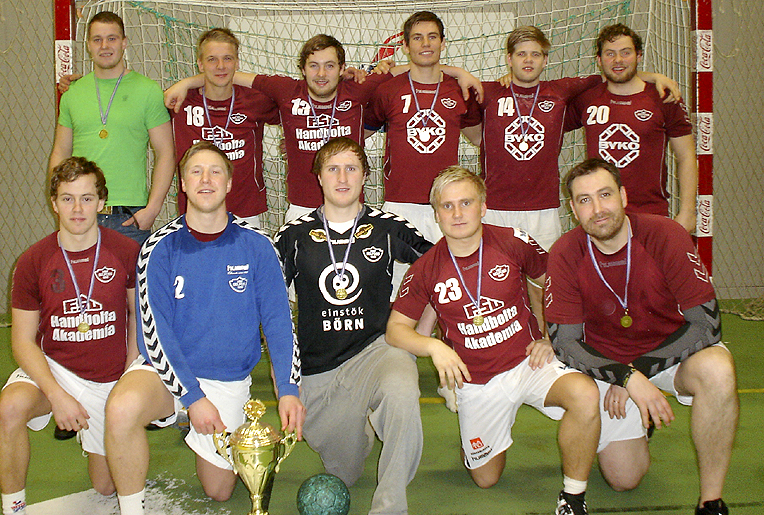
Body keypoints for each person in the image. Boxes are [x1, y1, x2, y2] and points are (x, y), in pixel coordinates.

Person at [104, 141, 304, 515]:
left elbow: (279, 323)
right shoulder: (158, 247)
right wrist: (192, 397)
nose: (206, 179)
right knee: (121, 409)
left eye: (215, 171)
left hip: (226, 378)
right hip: (166, 374)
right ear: (183, 183)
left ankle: (214, 424)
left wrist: (289, 390)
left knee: (219, 490)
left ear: (228, 183)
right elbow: (154, 334)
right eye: (196, 172)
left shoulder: (258, 246)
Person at [386, 167, 600, 515]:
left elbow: (554, 283)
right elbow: (396, 330)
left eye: (466, 203)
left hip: (530, 362)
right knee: (485, 478)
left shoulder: (513, 241)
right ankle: (477, 438)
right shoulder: (425, 268)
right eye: (447, 206)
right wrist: (434, 347)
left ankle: (573, 496)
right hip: (478, 381)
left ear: (483, 207)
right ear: (436, 214)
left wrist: (551, 335)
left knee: (585, 394)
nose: (457, 213)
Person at [545, 158, 737, 515]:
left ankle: (711, 502)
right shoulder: (565, 252)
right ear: (572, 208)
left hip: (671, 354)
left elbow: (706, 325)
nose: (598, 209)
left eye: (605, 195)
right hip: (608, 364)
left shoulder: (665, 234)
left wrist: (638, 371)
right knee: (624, 478)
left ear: (623, 195)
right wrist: (624, 375)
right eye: (585, 200)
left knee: (718, 369)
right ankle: (638, 420)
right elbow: (565, 344)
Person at [462, 26, 681, 337]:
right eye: (521, 54)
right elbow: (468, 123)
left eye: (536, 54)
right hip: (495, 208)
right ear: (509, 59)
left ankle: (548, 344)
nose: (528, 60)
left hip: (543, 208)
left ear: (545, 59)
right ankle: (490, 344)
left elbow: (613, 75)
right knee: (490, 283)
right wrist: (460, 73)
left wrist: (653, 77)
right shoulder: (489, 92)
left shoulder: (561, 91)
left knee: (545, 284)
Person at [273, 137, 433, 515]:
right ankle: (359, 427)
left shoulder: (388, 227)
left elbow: (439, 268)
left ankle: (390, 506)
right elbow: (269, 307)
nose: (342, 177)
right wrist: (285, 385)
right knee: (344, 472)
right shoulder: (293, 236)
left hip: (376, 352)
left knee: (401, 389)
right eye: (333, 169)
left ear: (364, 176)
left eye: (351, 168)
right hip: (319, 369)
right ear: (319, 177)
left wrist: (419, 335)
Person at [165, 34, 479, 224]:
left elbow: (413, 67)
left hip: (350, 207)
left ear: (342, 69)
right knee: (299, 296)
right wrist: (187, 82)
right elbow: (228, 74)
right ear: (302, 69)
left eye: (330, 65)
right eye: (314, 65)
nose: (321, 73)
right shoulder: (285, 90)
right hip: (301, 208)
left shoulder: (358, 90)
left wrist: (458, 72)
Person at [0, 157, 140, 515]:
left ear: (102, 202)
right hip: (55, 370)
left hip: (109, 379)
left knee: (106, 486)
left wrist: (128, 380)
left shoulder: (126, 252)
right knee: (11, 407)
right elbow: (22, 341)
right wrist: (57, 395)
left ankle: (96, 433)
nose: (77, 208)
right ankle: (13, 508)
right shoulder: (33, 261)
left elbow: (137, 317)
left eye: (87, 198)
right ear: (54, 203)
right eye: (68, 198)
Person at [50, 11, 176, 244]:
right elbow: (60, 151)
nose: (104, 46)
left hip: (128, 217)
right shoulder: (72, 94)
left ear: (124, 42)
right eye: (97, 39)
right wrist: (60, 201)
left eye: (112, 38)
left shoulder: (148, 91)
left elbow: (166, 152)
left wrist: (152, 209)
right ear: (88, 45)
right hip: (80, 213)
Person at [566, 23, 697, 233]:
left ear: (639, 56)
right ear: (599, 60)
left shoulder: (664, 97)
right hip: (601, 216)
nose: (618, 60)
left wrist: (688, 211)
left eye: (625, 52)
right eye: (610, 54)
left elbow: (686, 156)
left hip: (651, 215)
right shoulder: (588, 98)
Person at [364, 11, 481, 243]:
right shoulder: (388, 90)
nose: (426, 43)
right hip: (399, 205)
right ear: (405, 46)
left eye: (432, 37)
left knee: (448, 267)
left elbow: (479, 139)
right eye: (417, 38)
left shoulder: (461, 90)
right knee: (399, 268)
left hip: (447, 204)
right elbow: (358, 133)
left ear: (443, 43)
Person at [171, 28, 280, 227]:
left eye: (227, 59)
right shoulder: (180, 102)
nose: (220, 66)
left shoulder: (255, 101)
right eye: (212, 59)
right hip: (196, 210)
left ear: (237, 63)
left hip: (245, 212)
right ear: (200, 64)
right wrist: (186, 84)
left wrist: (289, 142)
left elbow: (295, 113)